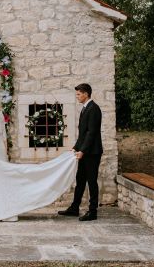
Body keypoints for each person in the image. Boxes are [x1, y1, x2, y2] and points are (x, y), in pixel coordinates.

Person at [0, 95, 78, 222]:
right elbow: (4, 135)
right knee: (4, 180)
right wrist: (5, 152)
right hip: (0, 148)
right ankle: (8, 211)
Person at [58, 83, 103, 221]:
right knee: (80, 180)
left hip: (92, 152)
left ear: (86, 94)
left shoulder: (93, 109)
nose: (77, 97)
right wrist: (75, 148)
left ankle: (93, 211)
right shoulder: (85, 108)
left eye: (78, 94)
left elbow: (91, 133)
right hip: (84, 151)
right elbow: (82, 134)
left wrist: (82, 150)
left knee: (91, 181)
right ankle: (74, 208)